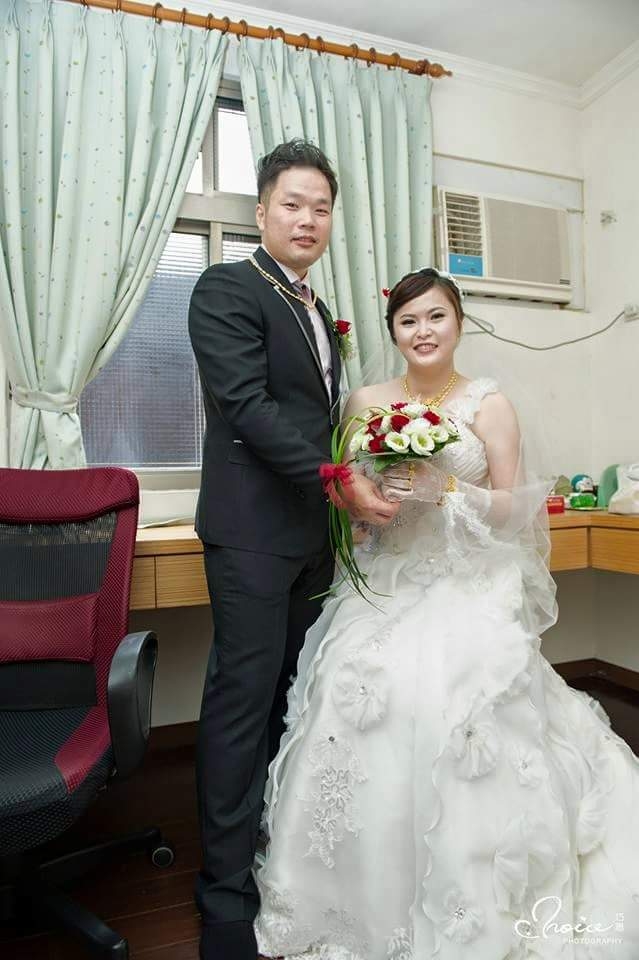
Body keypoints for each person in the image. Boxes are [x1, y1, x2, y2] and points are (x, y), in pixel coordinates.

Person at [254, 268, 639, 960]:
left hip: (465, 579)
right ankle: (351, 894)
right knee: (352, 691)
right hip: (386, 579)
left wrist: (448, 488)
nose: (422, 332)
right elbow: (346, 495)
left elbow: (513, 510)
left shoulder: (488, 404)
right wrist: (368, 505)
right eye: (408, 321)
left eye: (435, 317)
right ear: (392, 331)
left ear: (458, 323)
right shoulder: (365, 402)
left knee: (445, 700)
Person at [188, 139, 399, 960]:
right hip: (250, 533)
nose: (307, 219)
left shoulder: (314, 305)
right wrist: (338, 481)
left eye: (320, 207)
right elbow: (245, 405)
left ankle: (279, 856)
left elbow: (315, 418)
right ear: (261, 211)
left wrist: (358, 483)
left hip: (312, 537)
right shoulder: (226, 288)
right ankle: (223, 896)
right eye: (291, 204)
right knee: (241, 705)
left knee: (295, 696)